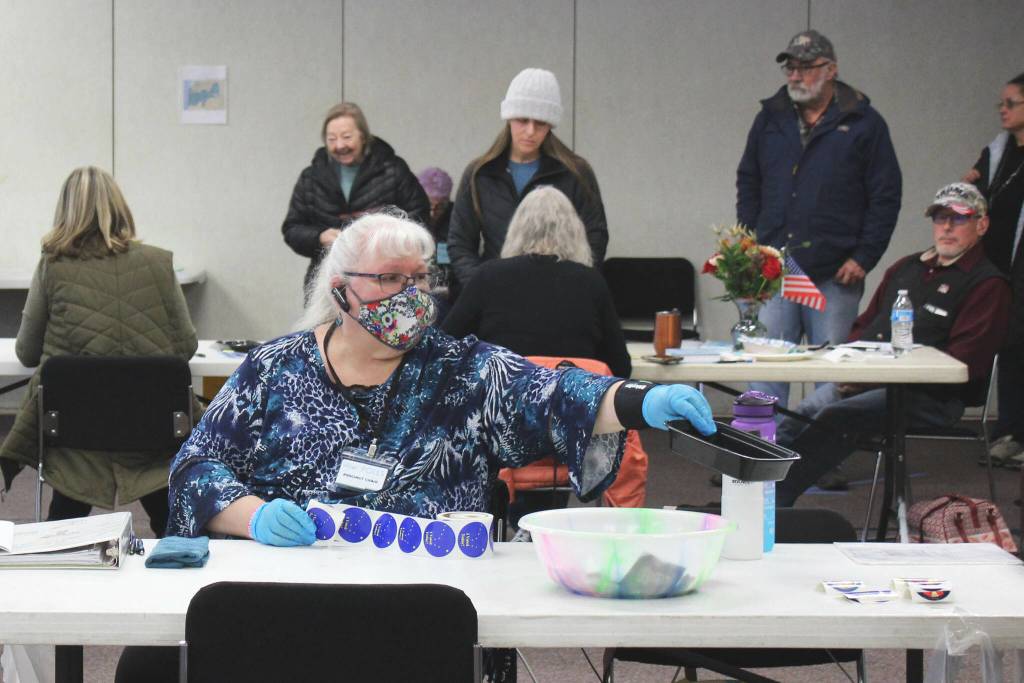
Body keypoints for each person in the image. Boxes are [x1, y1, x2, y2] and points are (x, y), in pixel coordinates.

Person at [165, 211, 714, 540]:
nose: (410, 294)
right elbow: (196, 468)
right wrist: (254, 518)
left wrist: (641, 399)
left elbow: (556, 394)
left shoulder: (465, 370)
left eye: (420, 279)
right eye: (388, 278)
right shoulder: (274, 368)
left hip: (425, 603)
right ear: (340, 291)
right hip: (289, 596)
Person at [775, 183, 1010, 506]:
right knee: (798, 412)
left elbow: (964, 363)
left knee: (836, 416)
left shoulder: (987, 284)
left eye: (959, 219)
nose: (946, 227)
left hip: (931, 397)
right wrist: (852, 367)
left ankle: (773, 502)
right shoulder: (905, 268)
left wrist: (873, 378)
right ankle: (747, 494)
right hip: (866, 380)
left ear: (981, 225)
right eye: (940, 218)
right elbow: (863, 327)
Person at [0, 167, 198, 536]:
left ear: (65, 211)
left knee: (66, 512)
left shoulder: (53, 265)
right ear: (119, 206)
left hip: (76, 436)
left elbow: (27, 352)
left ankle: (56, 552)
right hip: (151, 432)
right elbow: (185, 346)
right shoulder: (159, 262)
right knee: (169, 516)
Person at [737, 29, 902, 411]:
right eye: (790, 68)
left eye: (805, 68)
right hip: (775, 267)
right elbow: (749, 180)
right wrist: (750, 243)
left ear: (830, 70)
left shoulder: (864, 123)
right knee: (766, 366)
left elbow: (885, 195)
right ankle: (762, 453)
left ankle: (821, 463)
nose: (795, 76)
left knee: (832, 372)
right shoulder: (771, 118)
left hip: (835, 270)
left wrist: (864, 256)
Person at [443, 186, 630, 378]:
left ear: (515, 230)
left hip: (503, 401)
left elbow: (444, 347)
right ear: (575, 231)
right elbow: (621, 365)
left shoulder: (488, 276)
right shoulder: (591, 282)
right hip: (573, 402)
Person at [447, 67, 608, 287]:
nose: (530, 131)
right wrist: (484, 289)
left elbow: (595, 239)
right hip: (496, 296)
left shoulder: (575, 173)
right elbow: (460, 243)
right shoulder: (480, 174)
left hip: (558, 296)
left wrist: (571, 288)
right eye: (523, 120)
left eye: (540, 122)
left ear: (550, 125)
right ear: (509, 119)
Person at [281, 102, 430, 294]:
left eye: (347, 137)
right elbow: (292, 228)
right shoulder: (311, 177)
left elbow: (420, 218)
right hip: (328, 279)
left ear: (363, 136)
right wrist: (319, 237)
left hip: (387, 280)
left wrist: (383, 241)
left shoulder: (393, 170)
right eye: (331, 139)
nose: (339, 145)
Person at [963, 72, 1024, 467]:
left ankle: (1015, 434)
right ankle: (1009, 432)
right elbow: (974, 193)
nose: (1002, 110)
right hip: (997, 266)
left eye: (1011, 103)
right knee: (1008, 346)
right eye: (1001, 104)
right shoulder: (999, 151)